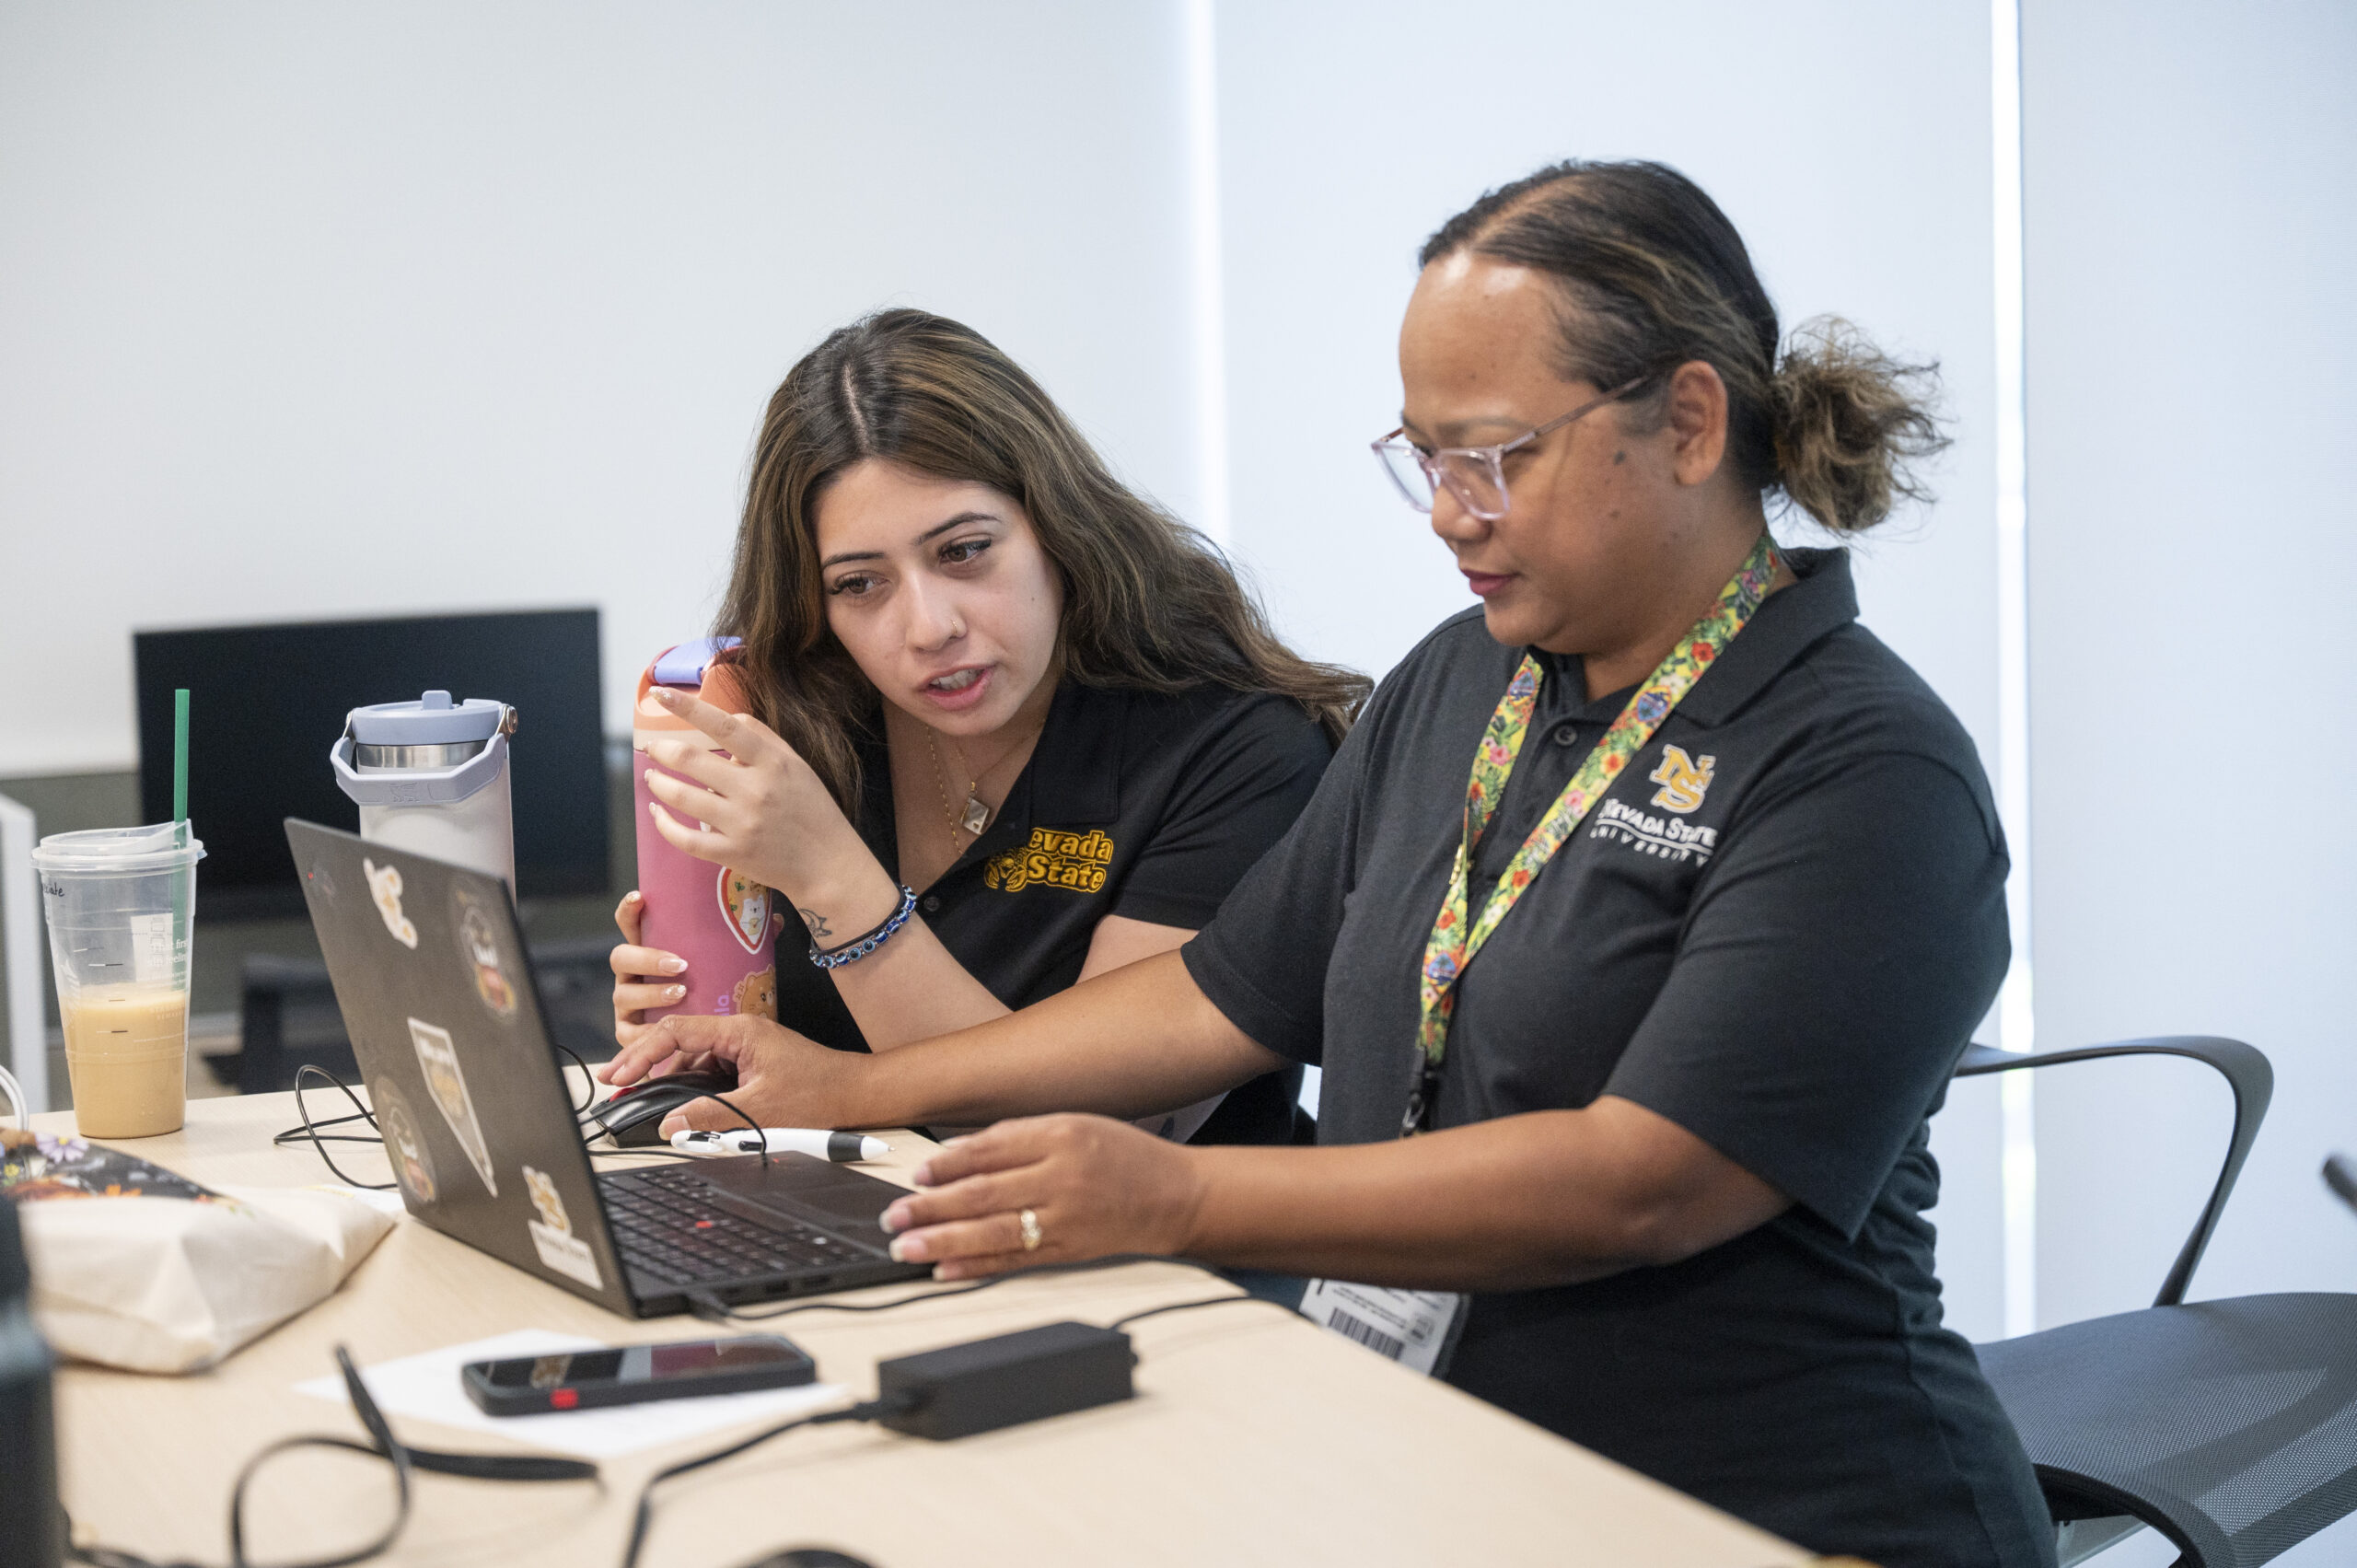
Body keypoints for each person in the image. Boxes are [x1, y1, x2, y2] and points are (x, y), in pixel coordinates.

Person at [603, 163, 2053, 1564]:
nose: (1448, 510)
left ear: (1685, 422)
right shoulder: (1462, 684)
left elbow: (1641, 1181)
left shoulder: (1863, 767)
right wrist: (854, 1085)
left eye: (1496, 455)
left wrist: (1178, 1199)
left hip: (1766, 1506)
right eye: (1425, 458)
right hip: (1420, 1463)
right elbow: (1214, 998)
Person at [606, 308, 1367, 1144]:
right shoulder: (802, 721)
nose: (928, 626)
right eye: (861, 584)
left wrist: (834, 878)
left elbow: (1100, 1128)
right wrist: (695, 1032)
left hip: (1135, 1268)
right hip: (841, 1236)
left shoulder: (1240, 748)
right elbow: (770, 1078)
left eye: (964, 551)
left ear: (1057, 527)